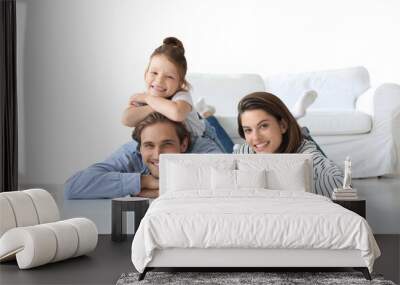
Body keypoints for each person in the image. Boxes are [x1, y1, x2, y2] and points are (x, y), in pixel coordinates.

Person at [121, 37, 224, 153]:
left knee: (221, 163)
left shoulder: (181, 95)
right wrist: (153, 105)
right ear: (146, 74)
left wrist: (147, 99)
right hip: (169, 145)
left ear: (180, 83)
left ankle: (205, 114)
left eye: (169, 77)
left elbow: (177, 114)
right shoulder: (147, 99)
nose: (159, 81)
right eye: (154, 73)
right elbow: (126, 119)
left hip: (198, 139)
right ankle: (203, 111)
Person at [234, 92, 343, 197]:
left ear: (283, 125)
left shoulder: (307, 155)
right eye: (248, 130)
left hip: (296, 140)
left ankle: (297, 125)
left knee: (302, 135)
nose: (256, 137)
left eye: (263, 126)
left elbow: (341, 185)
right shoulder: (245, 151)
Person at [65, 113, 190, 199]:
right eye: (149, 145)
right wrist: (144, 181)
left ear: (183, 145)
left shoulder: (202, 148)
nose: (158, 155)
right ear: (139, 147)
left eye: (167, 144)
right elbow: (73, 187)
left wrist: (158, 192)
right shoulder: (130, 154)